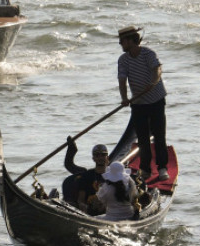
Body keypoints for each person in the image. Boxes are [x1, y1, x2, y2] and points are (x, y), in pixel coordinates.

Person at [116, 26, 169, 182]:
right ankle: (145, 169)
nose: (120, 44)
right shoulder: (123, 60)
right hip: (138, 103)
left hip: (156, 100)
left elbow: (157, 69)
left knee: (159, 135)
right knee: (142, 138)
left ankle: (162, 168)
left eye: (122, 41)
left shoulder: (148, 54)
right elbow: (122, 80)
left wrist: (153, 82)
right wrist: (124, 98)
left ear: (131, 40)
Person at [63, 138, 110, 213]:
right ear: (93, 158)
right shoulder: (87, 176)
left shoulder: (113, 176)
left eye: (103, 155)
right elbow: (81, 200)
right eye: (97, 155)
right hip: (90, 211)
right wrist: (83, 206)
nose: (100, 157)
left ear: (107, 157)